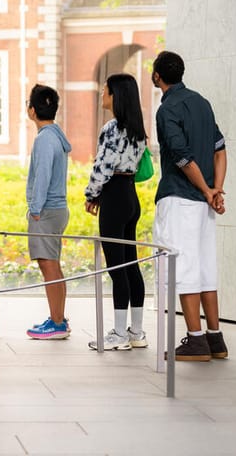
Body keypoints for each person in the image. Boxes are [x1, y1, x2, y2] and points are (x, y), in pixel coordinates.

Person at [151, 51, 228, 362]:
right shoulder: (202, 102)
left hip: (180, 197)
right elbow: (220, 150)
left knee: (184, 268)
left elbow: (182, 157)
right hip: (203, 203)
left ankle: (195, 340)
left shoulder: (166, 109)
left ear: (157, 76)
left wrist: (206, 188)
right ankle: (215, 338)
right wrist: (216, 190)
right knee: (206, 266)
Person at [84, 74, 149, 351]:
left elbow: (103, 166)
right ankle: (136, 332)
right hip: (130, 197)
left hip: (113, 197)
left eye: (105, 90)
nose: (102, 94)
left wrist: (91, 194)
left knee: (116, 267)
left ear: (115, 96)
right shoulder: (137, 129)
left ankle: (119, 335)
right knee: (131, 264)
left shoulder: (112, 128)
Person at [24, 84, 73, 340]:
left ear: (32, 111)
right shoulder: (56, 134)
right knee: (53, 265)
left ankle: (56, 323)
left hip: (46, 211)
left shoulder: (44, 139)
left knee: (49, 266)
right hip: (57, 209)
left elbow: (42, 177)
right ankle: (59, 319)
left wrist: (34, 209)